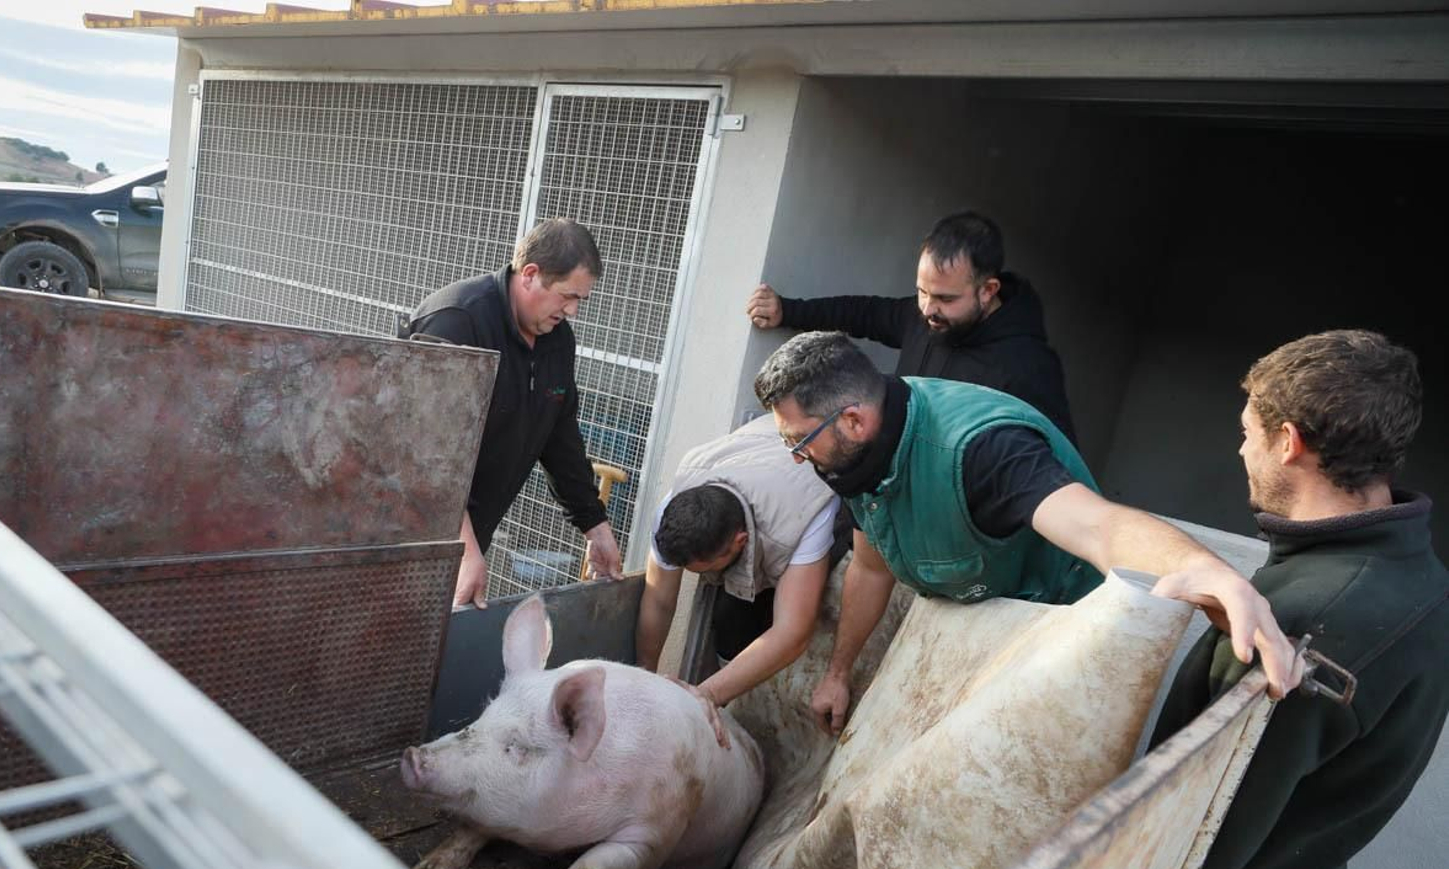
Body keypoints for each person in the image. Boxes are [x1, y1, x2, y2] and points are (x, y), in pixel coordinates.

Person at [1141, 330, 1449, 869]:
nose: (1237, 447)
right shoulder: (1409, 570)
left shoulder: (1318, 620)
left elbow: (1205, 840)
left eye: (1246, 431)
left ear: (1289, 442)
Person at [751, 330, 1299, 735]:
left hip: (1052, 639)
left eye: (800, 441)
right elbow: (871, 566)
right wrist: (839, 673)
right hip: (971, 619)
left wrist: (1207, 573)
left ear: (852, 420)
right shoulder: (852, 457)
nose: (798, 459)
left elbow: (1096, 524)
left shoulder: (982, 451)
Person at [403, 219, 622, 607]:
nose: (572, 311)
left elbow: (560, 438)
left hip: (467, 533)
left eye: (580, 300)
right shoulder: (457, 321)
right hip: (408, 531)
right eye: (567, 296)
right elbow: (421, 454)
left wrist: (596, 526)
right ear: (531, 275)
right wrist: (465, 550)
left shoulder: (557, 341)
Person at [745, 210, 1078, 444]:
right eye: (922, 292)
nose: (928, 309)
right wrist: (788, 311)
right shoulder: (925, 317)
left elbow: (1057, 462)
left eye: (946, 298)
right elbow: (863, 313)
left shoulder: (1029, 367)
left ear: (988, 291)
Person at [635, 417, 840, 708]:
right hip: (762, 453)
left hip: (817, 480)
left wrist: (704, 697)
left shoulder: (804, 518)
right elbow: (659, 600)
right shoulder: (675, 507)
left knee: (813, 612)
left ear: (739, 542)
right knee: (731, 620)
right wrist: (644, 678)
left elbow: (793, 632)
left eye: (702, 569)